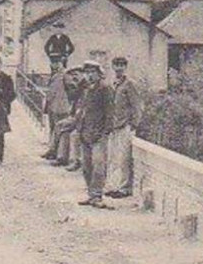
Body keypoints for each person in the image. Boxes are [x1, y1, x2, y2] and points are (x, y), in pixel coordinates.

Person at [76, 61, 113, 207]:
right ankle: (91, 195)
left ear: (99, 73)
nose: (89, 75)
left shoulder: (105, 89)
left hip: (98, 133)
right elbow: (81, 108)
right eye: (87, 72)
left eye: (92, 72)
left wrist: (105, 131)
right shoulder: (86, 89)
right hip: (85, 132)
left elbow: (110, 112)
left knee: (98, 165)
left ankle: (97, 195)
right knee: (86, 166)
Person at [105, 56, 140, 200]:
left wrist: (133, 124)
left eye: (121, 65)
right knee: (113, 158)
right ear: (112, 67)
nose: (119, 68)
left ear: (125, 67)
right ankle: (114, 186)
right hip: (113, 126)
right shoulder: (112, 84)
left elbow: (137, 106)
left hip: (125, 125)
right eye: (116, 65)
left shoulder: (129, 84)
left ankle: (124, 188)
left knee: (124, 158)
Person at [41, 55, 74, 161]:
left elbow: (72, 89)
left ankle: (60, 155)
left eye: (57, 63)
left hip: (61, 107)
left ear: (62, 63)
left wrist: (68, 104)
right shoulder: (54, 76)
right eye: (53, 63)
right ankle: (52, 151)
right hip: (52, 106)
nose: (54, 65)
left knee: (61, 130)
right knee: (53, 130)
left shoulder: (65, 75)